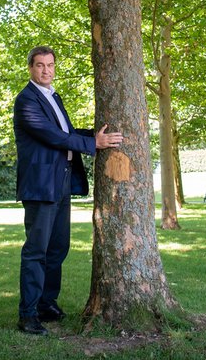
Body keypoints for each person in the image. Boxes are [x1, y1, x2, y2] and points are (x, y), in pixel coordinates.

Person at [13, 45, 123, 335]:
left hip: (61, 182)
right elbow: (52, 136)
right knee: (36, 251)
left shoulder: (53, 97)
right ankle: (27, 314)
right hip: (40, 185)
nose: (46, 70)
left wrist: (94, 135)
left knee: (58, 248)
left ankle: (46, 304)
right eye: (40, 65)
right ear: (31, 68)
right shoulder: (26, 100)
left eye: (50, 65)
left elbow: (67, 133)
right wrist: (92, 145)